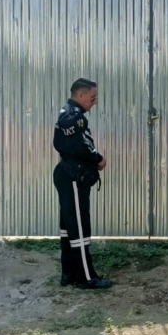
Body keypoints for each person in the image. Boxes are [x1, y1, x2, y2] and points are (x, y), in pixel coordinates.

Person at [53, 78, 112, 290]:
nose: (94, 102)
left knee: (69, 227)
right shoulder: (73, 117)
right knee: (79, 226)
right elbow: (81, 145)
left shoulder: (68, 113)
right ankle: (86, 277)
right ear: (81, 95)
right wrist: (98, 159)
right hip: (73, 176)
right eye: (92, 97)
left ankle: (68, 273)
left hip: (68, 173)